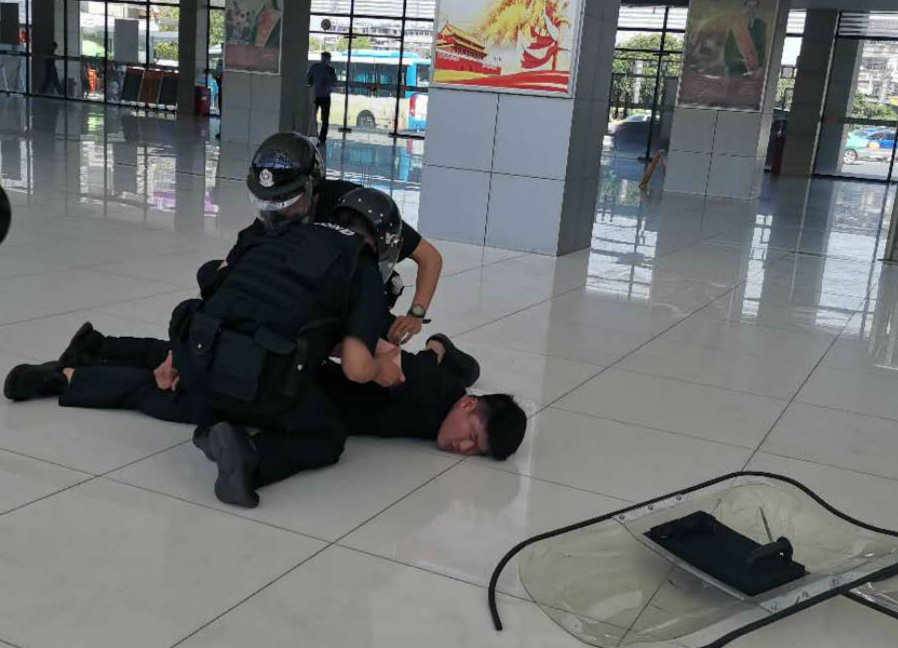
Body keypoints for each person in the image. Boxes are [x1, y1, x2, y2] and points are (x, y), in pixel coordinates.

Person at [3, 322, 527, 499]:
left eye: (473, 451)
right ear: (468, 405)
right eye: (471, 434)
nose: (462, 447)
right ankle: (65, 377)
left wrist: (438, 345)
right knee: (181, 393)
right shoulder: (427, 389)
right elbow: (382, 356)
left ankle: (94, 348)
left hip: (298, 378)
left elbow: (452, 359)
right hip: (299, 381)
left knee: (190, 361)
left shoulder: (449, 389)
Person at [169, 132, 405, 507]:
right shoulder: (362, 269)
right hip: (253, 375)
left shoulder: (280, 232)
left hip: (195, 357)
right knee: (327, 434)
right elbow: (356, 368)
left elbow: (220, 285)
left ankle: (214, 422)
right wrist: (382, 370)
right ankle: (250, 459)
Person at [198, 176, 443, 346]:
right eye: (274, 200)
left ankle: (435, 349)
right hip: (305, 288)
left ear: (310, 189)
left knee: (372, 340)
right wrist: (202, 322)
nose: (280, 208)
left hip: (349, 291)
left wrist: (416, 313)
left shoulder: (355, 206)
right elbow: (231, 262)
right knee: (212, 275)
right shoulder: (278, 213)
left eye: (287, 199)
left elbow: (430, 258)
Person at [307, 52, 338, 141]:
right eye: (325, 59)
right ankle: (314, 134)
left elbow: (334, 82)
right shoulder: (315, 67)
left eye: (327, 59)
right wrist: (310, 88)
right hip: (315, 96)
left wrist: (330, 86)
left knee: (324, 118)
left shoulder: (331, 70)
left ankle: (322, 137)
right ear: (322, 58)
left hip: (325, 97)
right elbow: (308, 79)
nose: (327, 61)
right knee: (313, 116)